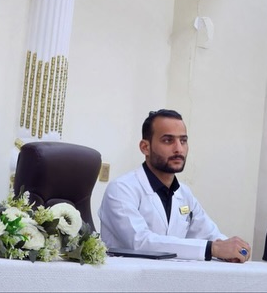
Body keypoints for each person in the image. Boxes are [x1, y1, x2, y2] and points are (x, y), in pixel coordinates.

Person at [99, 109, 251, 262]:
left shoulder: (184, 193)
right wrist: (213, 249)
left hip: (172, 275)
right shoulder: (121, 189)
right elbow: (140, 242)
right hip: (127, 276)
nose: (178, 149)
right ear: (145, 147)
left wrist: (235, 250)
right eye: (168, 140)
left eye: (183, 141)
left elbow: (210, 235)